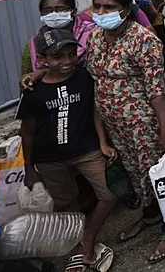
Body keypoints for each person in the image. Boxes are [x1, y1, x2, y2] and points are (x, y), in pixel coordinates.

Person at [85, 0, 165, 264]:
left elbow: (156, 89)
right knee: (134, 170)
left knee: (156, 171)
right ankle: (150, 215)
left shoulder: (144, 40)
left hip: (143, 121)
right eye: (98, 7)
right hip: (115, 123)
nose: (101, 13)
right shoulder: (95, 38)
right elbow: (95, 81)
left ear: (126, 10)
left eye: (109, 8)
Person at [18, 29, 117, 270]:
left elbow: (95, 111)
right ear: (42, 60)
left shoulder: (84, 77)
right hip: (50, 158)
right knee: (66, 202)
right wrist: (29, 168)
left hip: (87, 149)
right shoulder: (33, 91)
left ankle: (89, 237)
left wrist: (103, 143)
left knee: (110, 193)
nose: (67, 62)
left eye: (71, 54)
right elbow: (27, 133)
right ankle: (79, 244)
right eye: (58, 57)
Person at [20, 0, 96, 82]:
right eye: (48, 10)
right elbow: (33, 72)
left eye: (61, 9)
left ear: (74, 12)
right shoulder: (37, 40)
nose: (54, 14)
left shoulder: (92, 32)